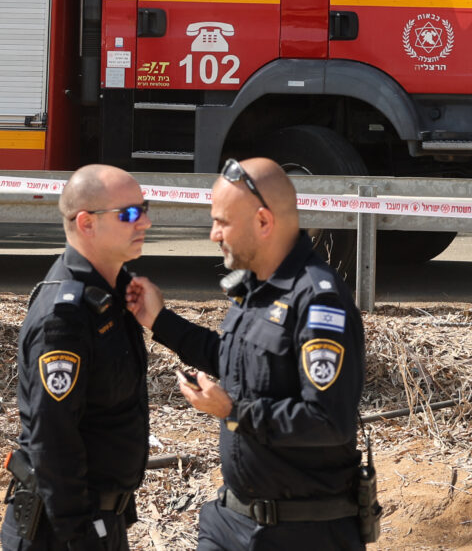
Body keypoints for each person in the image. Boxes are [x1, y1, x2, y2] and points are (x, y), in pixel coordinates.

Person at [127, 158, 368, 551]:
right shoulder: (255, 286)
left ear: (263, 222)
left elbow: (328, 422)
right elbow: (234, 360)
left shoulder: (318, 300)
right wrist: (158, 320)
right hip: (230, 522)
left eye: (222, 222)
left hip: (301, 533)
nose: (213, 234)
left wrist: (235, 411)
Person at [3, 166, 151, 551]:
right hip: (63, 530)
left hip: (97, 519)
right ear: (86, 223)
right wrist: (79, 533)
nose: (146, 221)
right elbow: (52, 437)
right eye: (130, 213)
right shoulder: (64, 317)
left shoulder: (109, 292)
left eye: (144, 208)